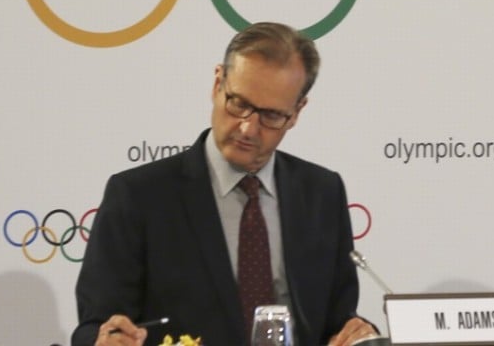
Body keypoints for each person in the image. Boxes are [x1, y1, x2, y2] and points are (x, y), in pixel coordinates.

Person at [72, 22, 378, 346]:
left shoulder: (322, 193)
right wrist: (104, 341)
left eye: (271, 116)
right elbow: (95, 328)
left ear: (297, 112)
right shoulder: (139, 196)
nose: (248, 129)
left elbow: (340, 321)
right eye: (239, 104)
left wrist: (360, 335)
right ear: (218, 83)